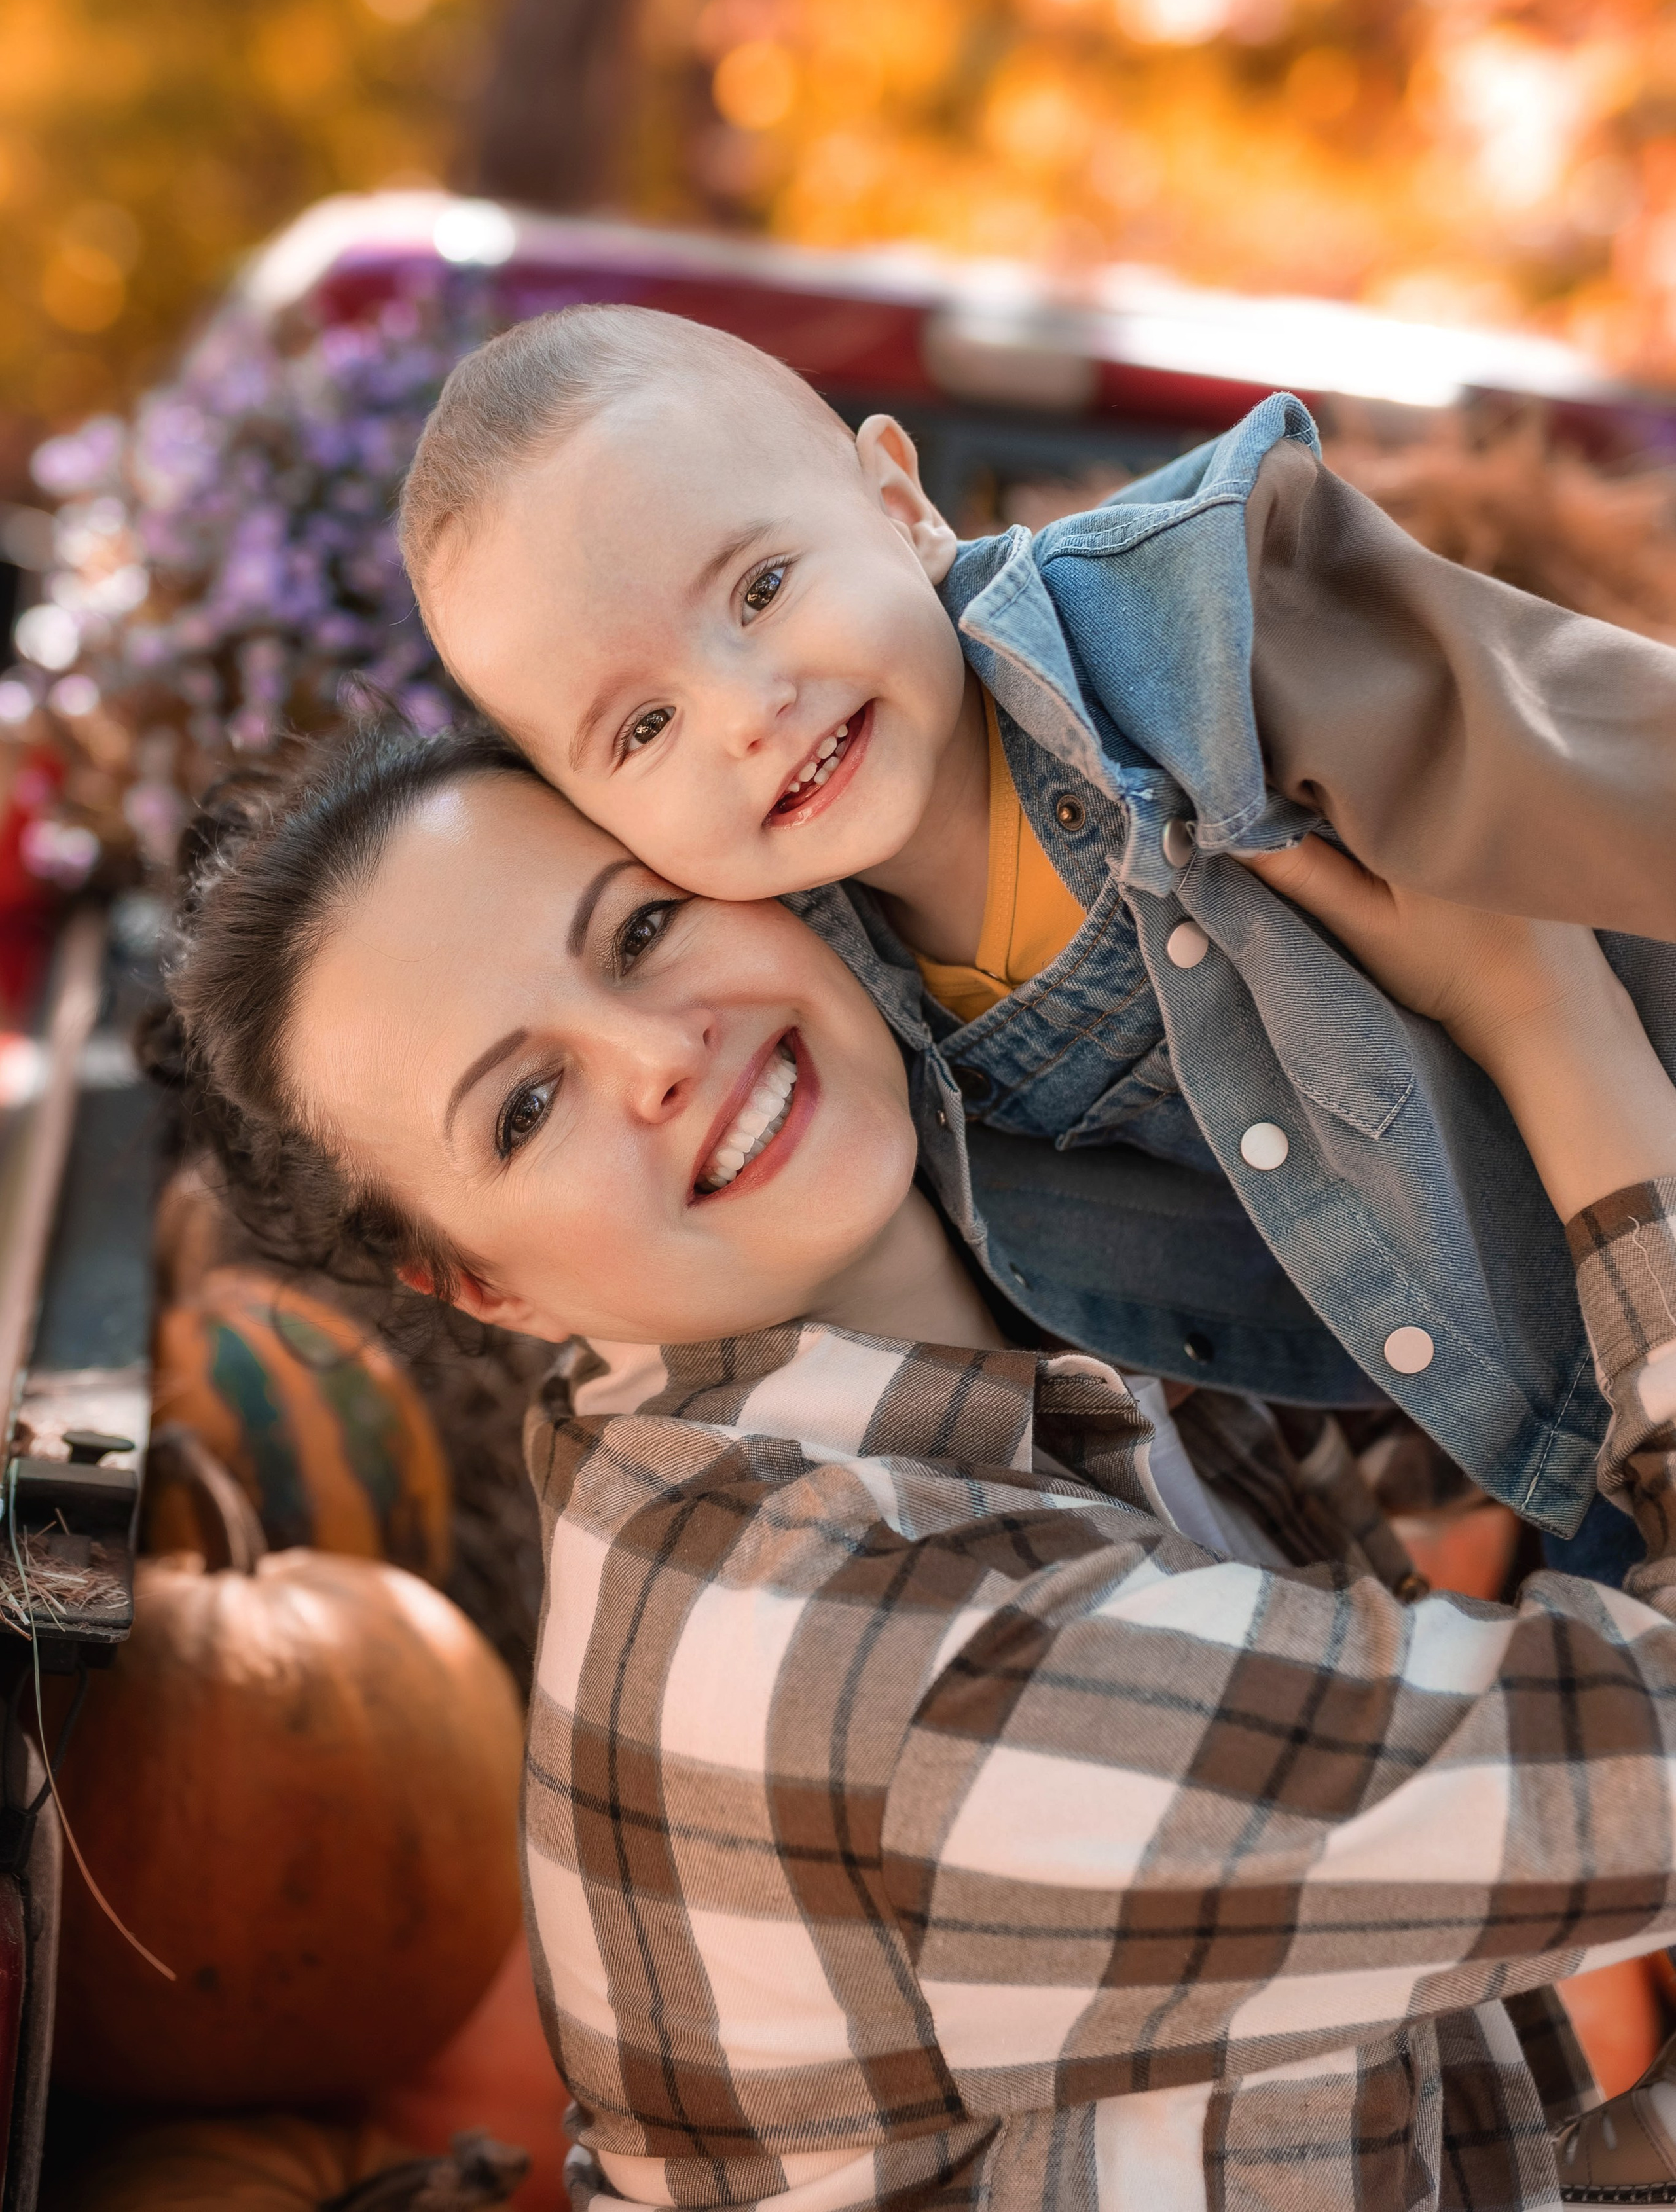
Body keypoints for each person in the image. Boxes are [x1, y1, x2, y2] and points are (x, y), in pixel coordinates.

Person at [161, 715, 1676, 2212]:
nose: (655, 1053)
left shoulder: (1005, 1285)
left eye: (637, 929)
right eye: (527, 1108)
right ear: (481, 1285)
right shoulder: (838, 1645)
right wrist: (1545, 1017)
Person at [393, 306, 1676, 1563]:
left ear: (898, 506)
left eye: (761, 587)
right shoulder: (826, 1003)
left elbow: (1598, 746)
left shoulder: (1203, 630)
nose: (741, 710)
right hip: (1564, 1415)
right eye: (640, 728)